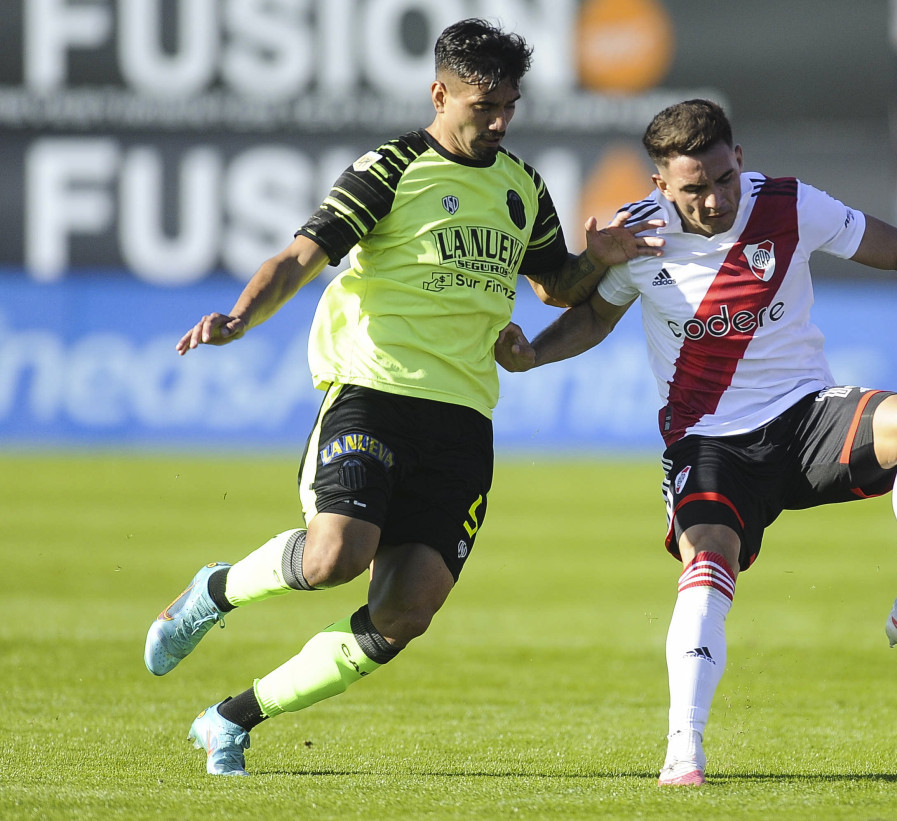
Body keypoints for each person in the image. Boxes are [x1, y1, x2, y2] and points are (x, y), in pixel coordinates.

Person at [495, 99, 897, 786]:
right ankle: (685, 746)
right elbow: (591, 318)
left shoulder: (790, 204)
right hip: (708, 443)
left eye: (722, 179)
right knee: (708, 562)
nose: (714, 199)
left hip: (805, 419)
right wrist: (531, 352)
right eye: (693, 188)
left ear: (738, 159)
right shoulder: (640, 237)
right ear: (660, 187)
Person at [143, 18, 664, 777]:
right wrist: (241, 316)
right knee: (332, 558)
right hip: (373, 391)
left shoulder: (522, 186)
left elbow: (557, 285)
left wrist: (599, 257)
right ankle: (212, 592)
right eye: (484, 105)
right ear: (439, 92)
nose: (499, 120)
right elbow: (300, 254)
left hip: (462, 420)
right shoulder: (390, 168)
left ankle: (231, 718)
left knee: (404, 612)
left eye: (509, 105)